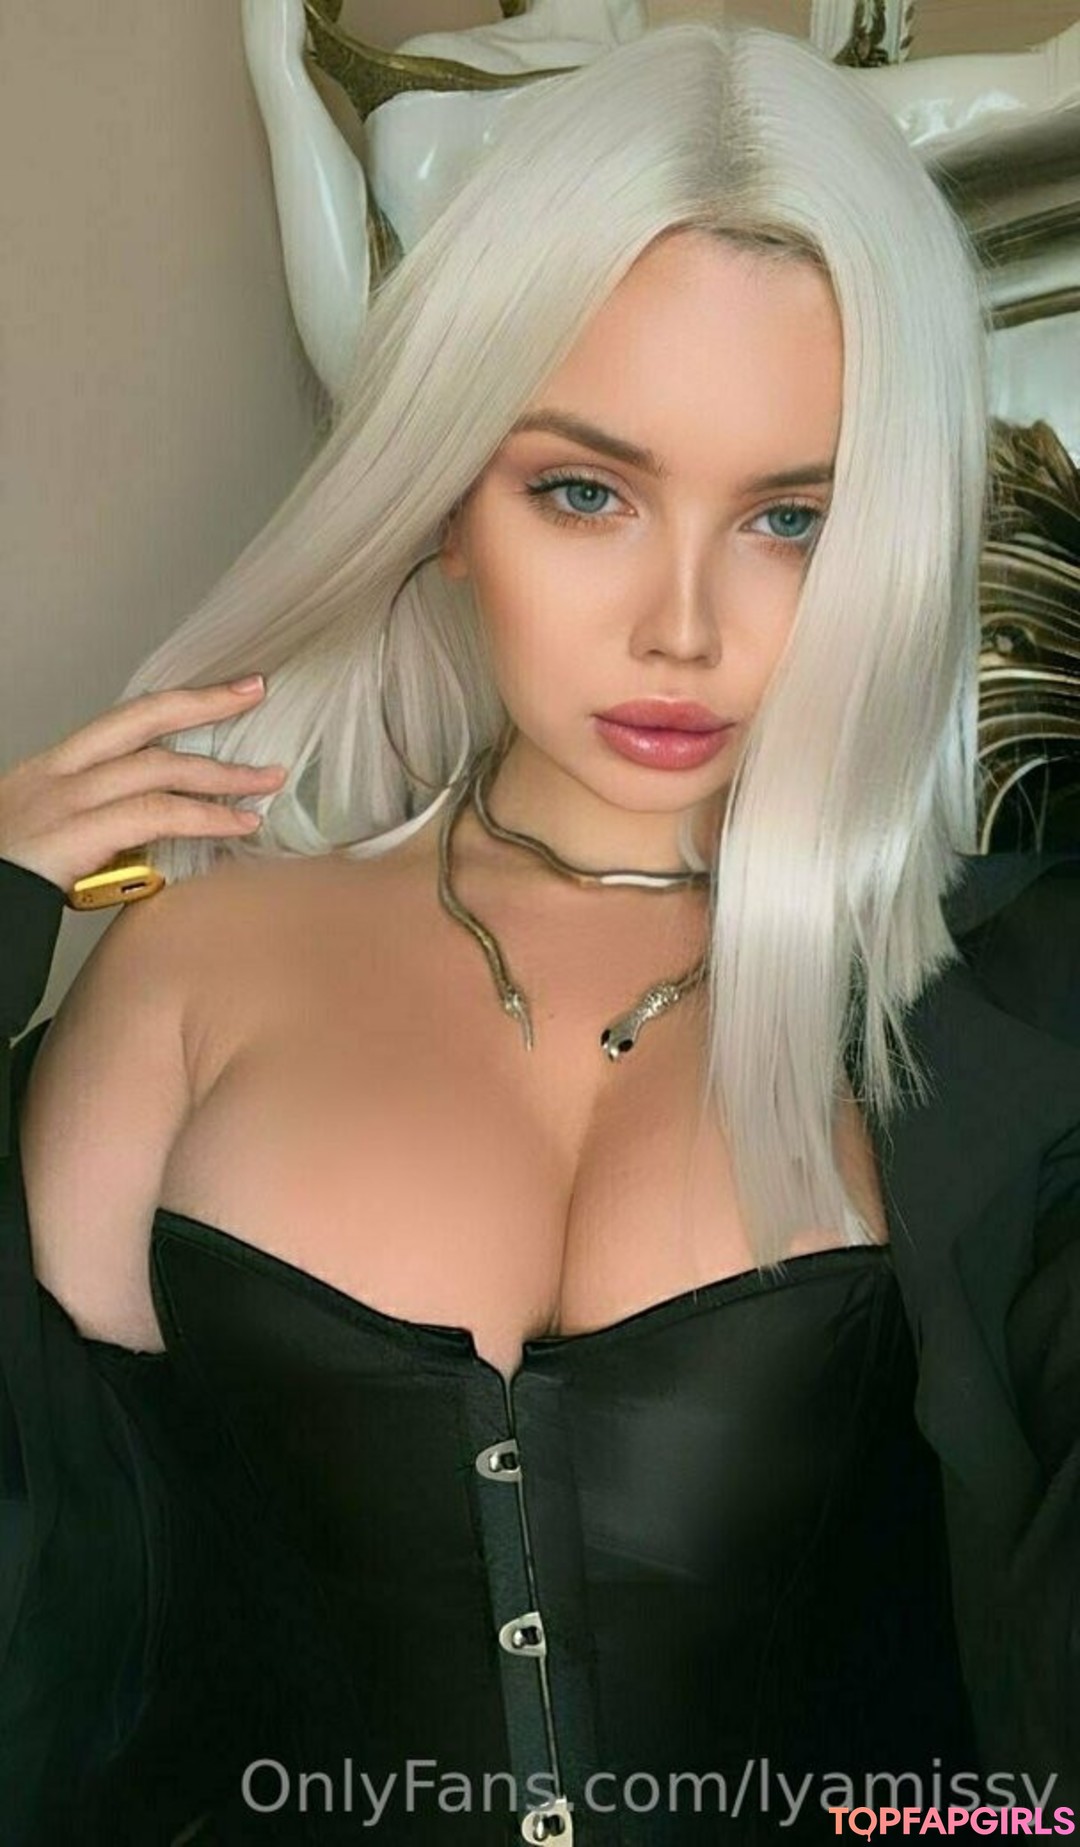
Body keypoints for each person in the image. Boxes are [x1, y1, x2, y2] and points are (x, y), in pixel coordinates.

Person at [1, 17, 1077, 1844]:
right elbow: (51, 1638)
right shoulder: (192, 973)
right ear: (442, 498)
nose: (683, 626)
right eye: (586, 491)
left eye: (791, 519)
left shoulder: (999, 1011)